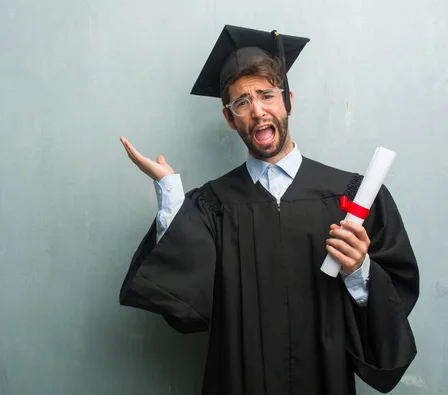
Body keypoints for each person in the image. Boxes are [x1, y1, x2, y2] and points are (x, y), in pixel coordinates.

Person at [118, 25, 419, 395]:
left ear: (288, 100)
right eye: (241, 103)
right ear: (230, 118)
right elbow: (184, 301)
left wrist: (360, 270)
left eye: (267, 95)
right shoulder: (213, 205)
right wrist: (171, 196)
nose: (258, 111)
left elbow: (396, 297)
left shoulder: (351, 195)